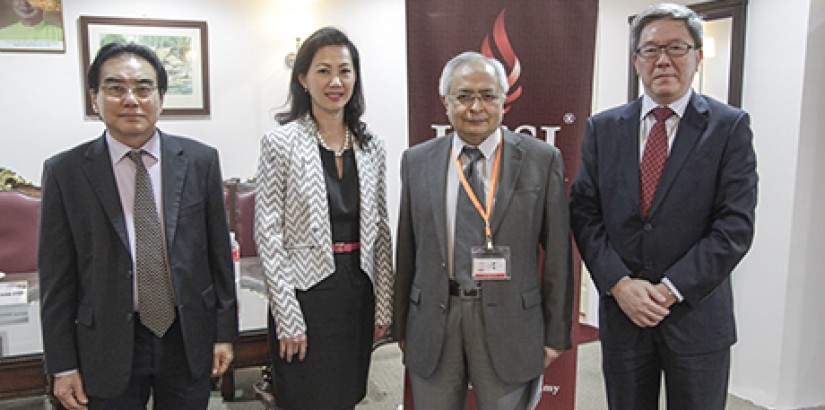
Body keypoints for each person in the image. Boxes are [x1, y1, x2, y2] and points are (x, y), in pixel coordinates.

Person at [570, 4, 758, 410]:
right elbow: (585, 213)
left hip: (696, 319)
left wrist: (670, 291)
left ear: (697, 56)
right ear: (636, 59)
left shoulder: (729, 128)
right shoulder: (603, 128)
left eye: (676, 48)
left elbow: (734, 227)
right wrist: (619, 284)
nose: (663, 61)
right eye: (651, 50)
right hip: (624, 316)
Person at [38, 42, 237, 410]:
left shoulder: (200, 161)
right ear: (95, 98)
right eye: (116, 88)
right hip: (106, 341)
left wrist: (223, 334)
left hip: (185, 334)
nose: (131, 99)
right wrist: (62, 364)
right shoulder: (65, 172)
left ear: (161, 98)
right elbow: (56, 279)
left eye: (144, 88)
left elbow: (218, 258)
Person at [392, 51, 574, 410]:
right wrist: (403, 325)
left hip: (510, 323)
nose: (476, 106)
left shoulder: (541, 159)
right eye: (464, 96)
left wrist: (555, 333)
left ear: (504, 101)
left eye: (488, 95)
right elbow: (408, 247)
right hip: (435, 320)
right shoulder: (417, 161)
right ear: (445, 102)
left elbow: (557, 255)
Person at [254, 26, 393, 410]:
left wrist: (384, 304)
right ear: (303, 78)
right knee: (304, 396)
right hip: (305, 293)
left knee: (347, 394)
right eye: (323, 70)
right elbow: (268, 234)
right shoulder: (280, 144)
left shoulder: (371, 146)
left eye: (345, 71)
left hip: (356, 291)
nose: (336, 81)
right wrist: (288, 316)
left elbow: (380, 230)